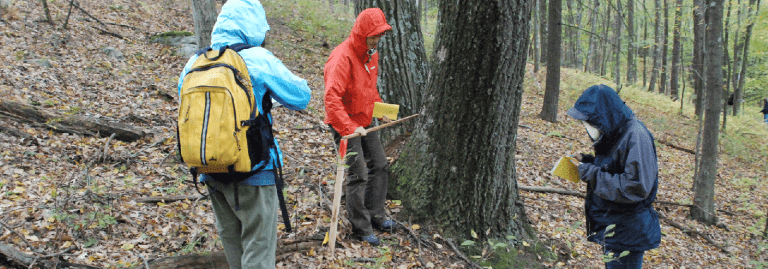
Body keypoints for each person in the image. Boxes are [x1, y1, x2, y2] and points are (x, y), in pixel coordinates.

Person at [176, 0, 311, 268]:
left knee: (234, 247)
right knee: (258, 250)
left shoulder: (195, 62)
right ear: (254, 24)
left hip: (210, 167)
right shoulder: (256, 59)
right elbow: (301, 96)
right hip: (255, 170)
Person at [567, 85, 661, 269]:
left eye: (590, 122)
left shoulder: (635, 136)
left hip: (628, 229)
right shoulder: (615, 131)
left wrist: (589, 172)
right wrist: (588, 161)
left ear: (603, 116)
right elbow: (615, 166)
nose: (588, 128)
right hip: (615, 225)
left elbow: (634, 187)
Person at [323, 8, 395, 247]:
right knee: (358, 174)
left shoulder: (370, 54)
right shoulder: (341, 57)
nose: (376, 40)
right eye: (373, 36)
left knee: (380, 164)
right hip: (345, 124)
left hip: (366, 120)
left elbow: (369, 89)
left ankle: (376, 215)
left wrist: (381, 110)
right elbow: (332, 99)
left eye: (379, 36)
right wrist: (349, 127)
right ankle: (361, 227)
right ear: (362, 33)